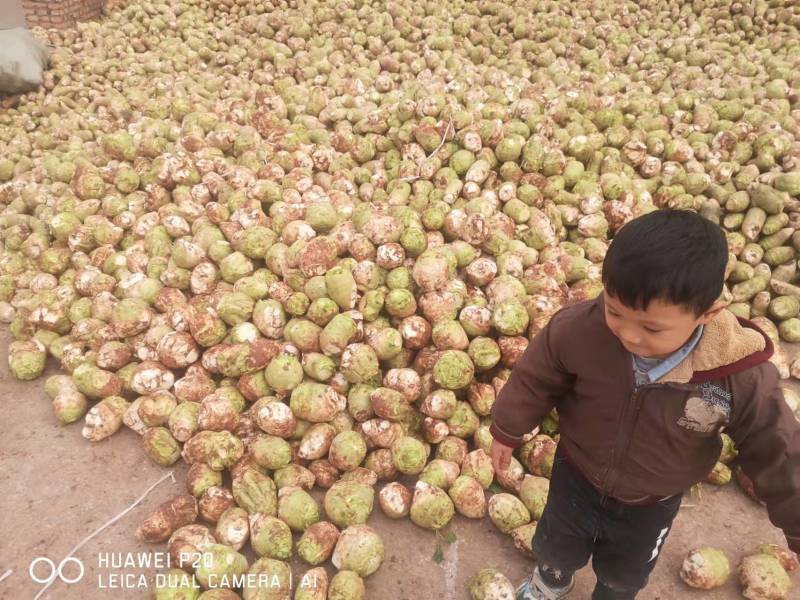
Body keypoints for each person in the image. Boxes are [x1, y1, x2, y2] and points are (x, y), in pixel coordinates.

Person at [489, 209, 800, 600]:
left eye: (651, 328)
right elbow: (538, 374)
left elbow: (778, 446)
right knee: (557, 539)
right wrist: (507, 426)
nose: (629, 335)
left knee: (626, 571)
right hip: (577, 470)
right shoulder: (580, 329)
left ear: (708, 313)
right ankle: (551, 580)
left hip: (652, 500)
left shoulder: (735, 374)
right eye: (615, 311)